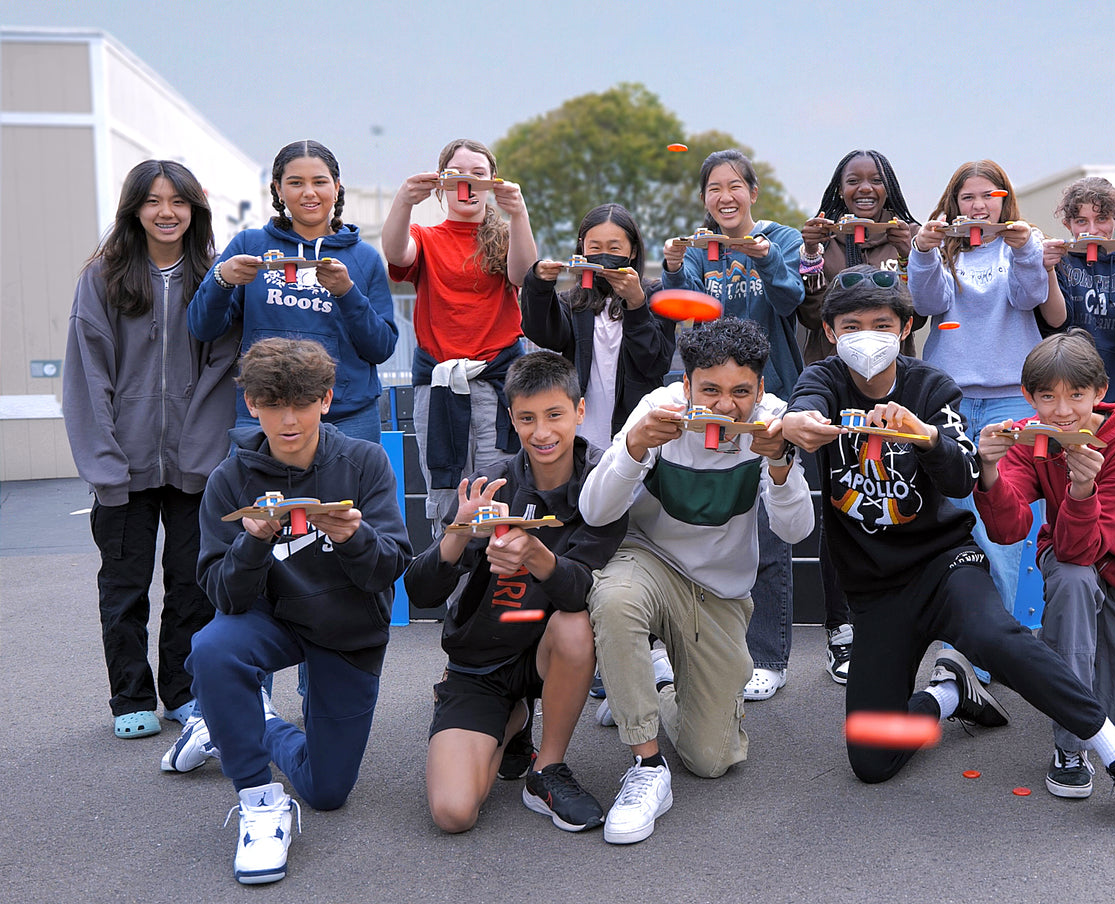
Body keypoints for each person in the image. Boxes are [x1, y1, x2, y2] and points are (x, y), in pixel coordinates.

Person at [780, 265, 1115, 841]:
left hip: (946, 567)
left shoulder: (932, 386)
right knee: (872, 763)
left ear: (905, 328)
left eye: (882, 324)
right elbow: (805, 403)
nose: (867, 336)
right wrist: (794, 421)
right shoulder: (824, 381)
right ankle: (949, 695)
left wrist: (923, 434)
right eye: (852, 325)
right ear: (831, 332)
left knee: (1000, 639)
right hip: (876, 593)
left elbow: (958, 478)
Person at [162, 338, 412, 885]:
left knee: (326, 792)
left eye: (301, 402)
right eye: (273, 403)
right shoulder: (230, 479)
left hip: (347, 628)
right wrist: (252, 543)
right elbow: (223, 598)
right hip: (270, 618)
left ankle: (250, 722)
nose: (289, 419)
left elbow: (390, 569)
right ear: (251, 404)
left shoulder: (363, 462)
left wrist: (354, 538)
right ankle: (257, 799)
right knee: (212, 649)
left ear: (326, 399)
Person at [581, 317, 814, 844]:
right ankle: (645, 766)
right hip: (649, 561)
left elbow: (796, 531)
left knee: (713, 759)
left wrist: (780, 467)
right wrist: (634, 447)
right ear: (686, 386)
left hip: (720, 591)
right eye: (709, 389)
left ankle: (653, 683)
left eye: (741, 392)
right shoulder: (655, 411)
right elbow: (594, 512)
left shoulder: (773, 423)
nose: (725, 406)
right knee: (614, 598)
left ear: (761, 390)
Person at [405, 351, 627, 832]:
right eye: (527, 419)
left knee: (576, 624)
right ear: (511, 419)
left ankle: (546, 771)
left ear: (580, 411)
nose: (542, 433)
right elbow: (420, 590)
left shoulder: (603, 485)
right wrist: (459, 534)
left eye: (555, 415)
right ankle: (511, 720)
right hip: (482, 661)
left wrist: (534, 556)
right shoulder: (493, 484)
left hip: (551, 649)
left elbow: (580, 591)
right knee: (454, 813)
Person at [62, 159, 239, 740]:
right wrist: (105, 463)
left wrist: (202, 452)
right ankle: (130, 697)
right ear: (134, 208)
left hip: (197, 467)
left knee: (191, 586)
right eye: (154, 201)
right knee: (124, 587)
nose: (167, 213)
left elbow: (220, 372)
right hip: (123, 465)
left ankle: (184, 694)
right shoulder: (104, 278)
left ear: (195, 210)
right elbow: (88, 377)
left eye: (179, 202)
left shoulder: (213, 278)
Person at [972, 329, 1115, 799]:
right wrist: (990, 472)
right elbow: (1008, 530)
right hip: (1070, 562)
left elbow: (1094, 545)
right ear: (1029, 397)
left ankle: (1067, 651)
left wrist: (1082, 491)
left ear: (1100, 392)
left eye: (1076, 395)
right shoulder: (1028, 437)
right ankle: (1069, 747)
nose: (1062, 411)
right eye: (1048, 397)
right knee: (1074, 579)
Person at [662, 149, 805, 700]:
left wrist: (765, 258)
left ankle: (771, 656)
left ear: (752, 190)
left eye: (735, 186)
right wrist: (676, 268)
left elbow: (791, 300)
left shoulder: (783, 239)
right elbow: (693, 314)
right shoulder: (701, 248)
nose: (725, 197)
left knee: (771, 529)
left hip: (771, 398)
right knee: (714, 524)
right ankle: (699, 652)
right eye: (714, 189)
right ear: (704, 199)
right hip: (714, 401)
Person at [907, 160, 1065, 618]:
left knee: (1002, 523)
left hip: (1012, 399)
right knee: (954, 521)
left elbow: (1029, 297)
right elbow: (927, 303)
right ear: (954, 203)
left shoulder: (1023, 241)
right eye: (967, 197)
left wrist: (1025, 252)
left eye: (987, 197)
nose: (978, 207)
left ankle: (997, 640)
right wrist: (921, 251)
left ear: (1004, 201)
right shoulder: (942, 247)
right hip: (949, 398)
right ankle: (963, 631)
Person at [796, 149, 923, 683]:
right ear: (839, 189)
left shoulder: (907, 237)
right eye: (854, 181)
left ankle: (893, 617)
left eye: (875, 180)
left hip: (895, 391)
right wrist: (810, 254)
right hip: (834, 388)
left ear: (889, 186)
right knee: (837, 509)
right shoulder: (822, 243)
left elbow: (925, 307)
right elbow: (805, 311)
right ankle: (840, 630)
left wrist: (916, 252)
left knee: (893, 502)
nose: (865, 188)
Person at [189, 139, 397, 444]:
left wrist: (347, 293)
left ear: (337, 187)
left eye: (320, 182)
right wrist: (221, 279)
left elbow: (381, 347)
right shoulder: (250, 246)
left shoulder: (363, 257)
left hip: (348, 417)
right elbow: (202, 328)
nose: (309, 192)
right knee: (259, 493)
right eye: (296, 183)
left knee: (350, 494)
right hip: (264, 413)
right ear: (278, 188)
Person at [383, 138, 537, 526]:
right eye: (456, 176)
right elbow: (396, 254)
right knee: (446, 497)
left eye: (478, 175)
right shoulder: (425, 236)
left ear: (492, 183)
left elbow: (524, 275)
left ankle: (497, 583)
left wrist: (519, 214)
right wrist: (404, 200)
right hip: (438, 386)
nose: (467, 184)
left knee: (500, 490)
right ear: (441, 185)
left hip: (497, 383)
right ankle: (451, 580)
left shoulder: (504, 236)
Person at [518, 203, 676, 451]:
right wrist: (538, 284)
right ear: (582, 248)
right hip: (582, 431)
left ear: (632, 251)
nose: (604, 255)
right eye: (595, 247)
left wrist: (636, 304)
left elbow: (655, 362)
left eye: (614, 248)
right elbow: (543, 333)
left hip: (637, 430)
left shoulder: (655, 295)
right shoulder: (573, 302)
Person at [1038, 177, 1115, 415]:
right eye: (1081, 221)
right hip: (1065, 400)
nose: (1092, 231)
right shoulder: (1059, 261)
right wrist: (1047, 269)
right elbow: (1054, 325)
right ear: (1068, 224)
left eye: (1102, 219)